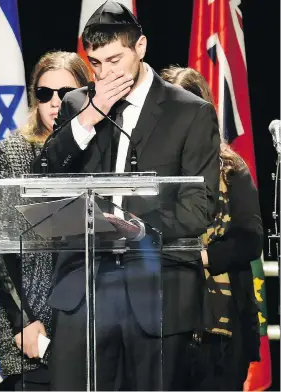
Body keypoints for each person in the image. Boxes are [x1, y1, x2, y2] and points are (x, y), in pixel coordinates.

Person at [31, 2, 221, 390]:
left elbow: (199, 207)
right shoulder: (76, 104)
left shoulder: (190, 113)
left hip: (158, 293)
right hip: (85, 295)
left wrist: (133, 229)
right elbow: (44, 178)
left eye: (115, 59)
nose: (106, 72)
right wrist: (89, 117)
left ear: (141, 47)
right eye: (96, 63)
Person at [0, 51, 90, 391]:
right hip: (33, 320)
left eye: (65, 93)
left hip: (91, 319)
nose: (55, 102)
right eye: (45, 94)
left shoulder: (98, 149)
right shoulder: (13, 152)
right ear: (34, 97)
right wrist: (23, 320)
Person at [160, 65, 262, 390]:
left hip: (222, 335)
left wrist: (198, 258)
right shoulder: (148, 174)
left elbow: (250, 240)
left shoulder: (232, 170)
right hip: (161, 325)